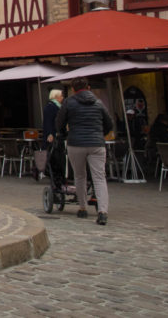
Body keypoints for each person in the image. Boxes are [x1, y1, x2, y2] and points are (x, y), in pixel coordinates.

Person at [56, 77, 115, 225]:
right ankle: (102, 211)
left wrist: (64, 134)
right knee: (99, 177)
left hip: (76, 143)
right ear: (88, 87)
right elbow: (109, 123)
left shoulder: (69, 102)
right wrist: (100, 133)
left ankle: (82, 207)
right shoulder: (98, 102)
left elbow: (59, 123)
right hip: (96, 143)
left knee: (80, 175)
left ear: (73, 89)